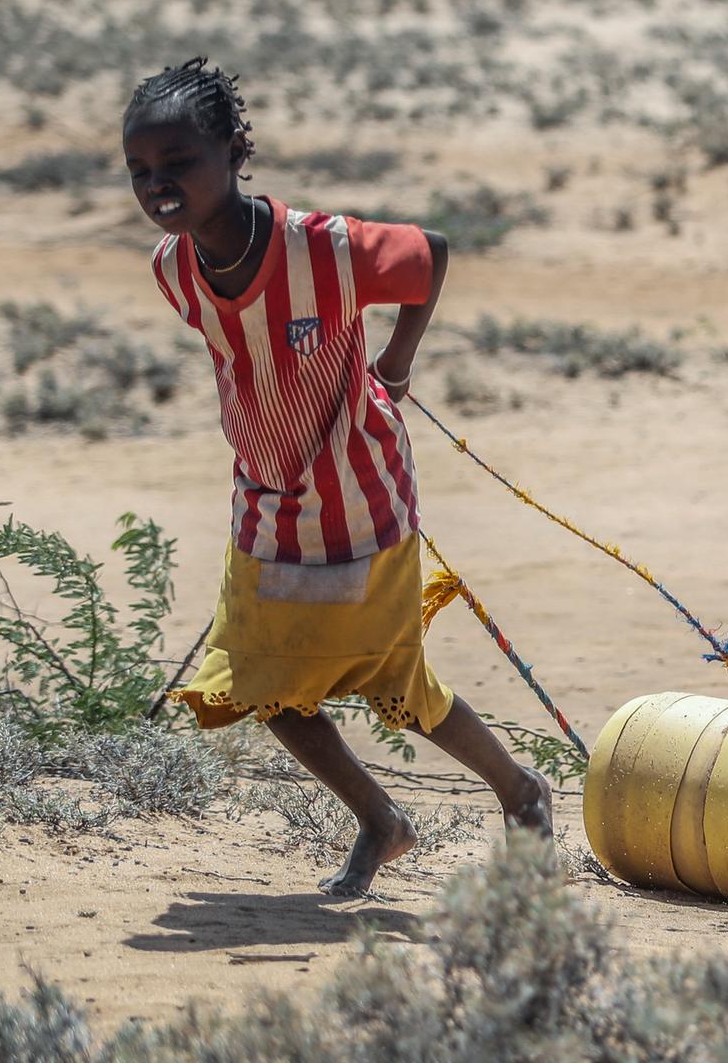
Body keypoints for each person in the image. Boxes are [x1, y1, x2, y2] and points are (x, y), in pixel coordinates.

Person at [122, 58, 551, 898]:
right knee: (263, 680)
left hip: (362, 491)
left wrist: (395, 358)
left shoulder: (320, 248)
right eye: (142, 170)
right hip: (267, 501)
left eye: (180, 163)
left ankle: (521, 791)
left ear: (235, 151)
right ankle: (381, 822)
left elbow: (429, 255)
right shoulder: (172, 270)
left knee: (395, 684)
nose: (159, 184)